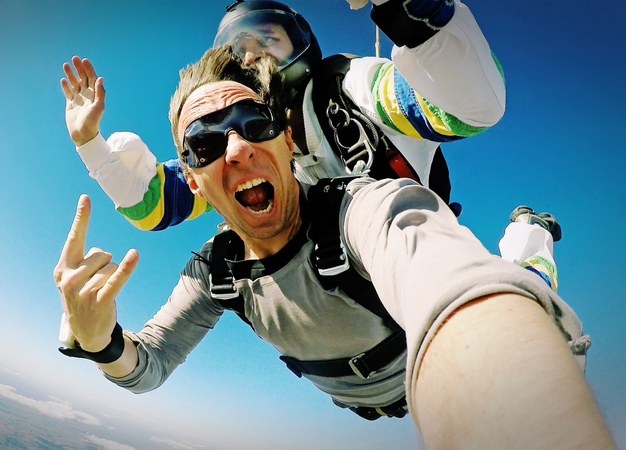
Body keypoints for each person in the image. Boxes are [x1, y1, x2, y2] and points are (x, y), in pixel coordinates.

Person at [54, 46, 614, 448]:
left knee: (527, 281)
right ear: (192, 180)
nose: (238, 149)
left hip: (416, 375)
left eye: (255, 122)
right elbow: (148, 364)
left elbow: (457, 291)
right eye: (204, 142)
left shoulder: (362, 210)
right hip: (374, 398)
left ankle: (531, 231)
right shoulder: (215, 272)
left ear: (288, 139)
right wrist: (101, 342)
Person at [61, 0, 563, 293]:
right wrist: (93, 147)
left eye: (268, 39)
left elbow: (468, 105)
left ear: (301, 45)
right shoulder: (237, 148)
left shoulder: (350, 90)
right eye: (240, 49)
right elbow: (158, 204)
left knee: (526, 297)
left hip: (421, 247)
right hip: (358, 289)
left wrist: (408, 11)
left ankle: (530, 234)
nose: (254, 54)